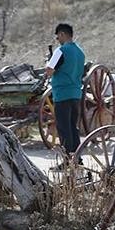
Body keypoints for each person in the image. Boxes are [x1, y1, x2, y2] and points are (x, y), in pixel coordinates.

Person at [45, 23, 86, 155]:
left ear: (62, 34)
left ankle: (67, 160)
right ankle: (76, 158)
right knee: (73, 127)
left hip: (62, 94)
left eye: (58, 37)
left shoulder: (61, 51)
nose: (58, 40)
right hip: (76, 94)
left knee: (64, 128)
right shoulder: (80, 52)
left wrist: (48, 62)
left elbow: (49, 71)